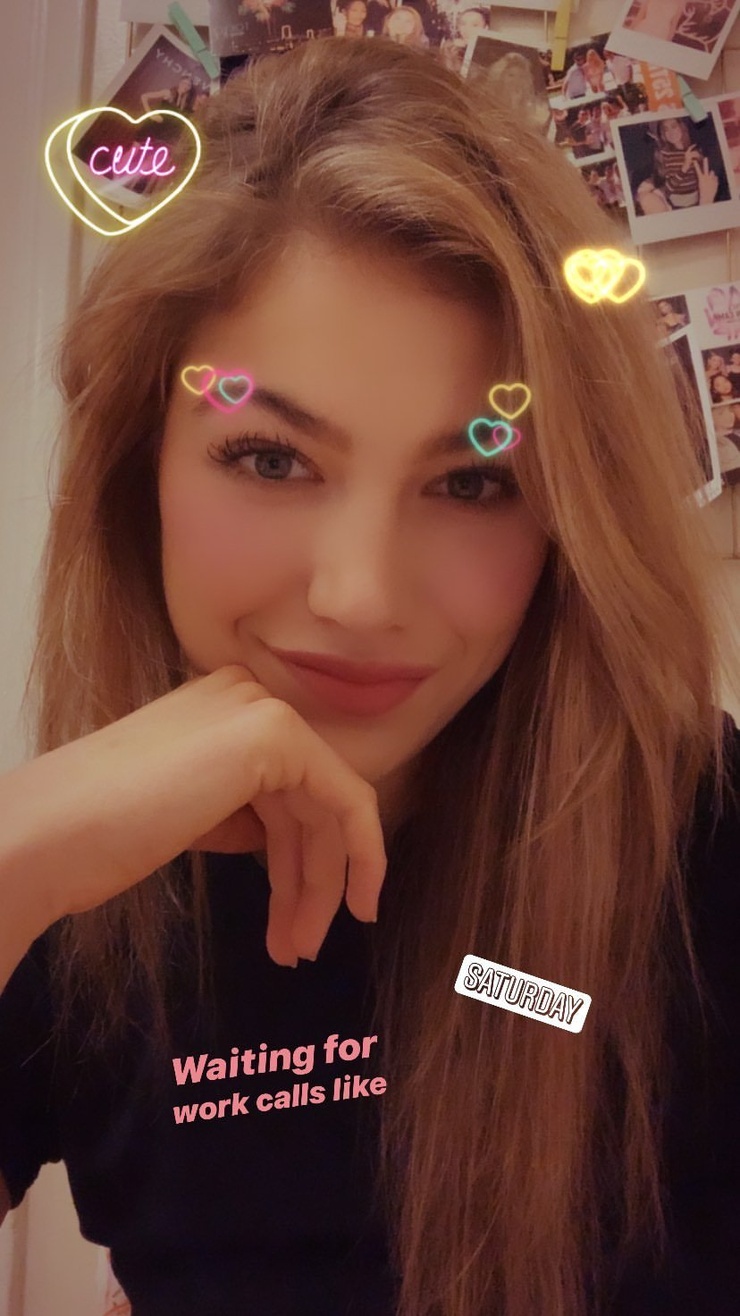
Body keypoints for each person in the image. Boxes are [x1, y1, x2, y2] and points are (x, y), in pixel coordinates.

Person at [2, 36, 740, 1316]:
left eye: (472, 481)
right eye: (270, 459)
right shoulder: (76, 902)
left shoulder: (699, 838)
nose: (358, 594)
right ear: (139, 470)